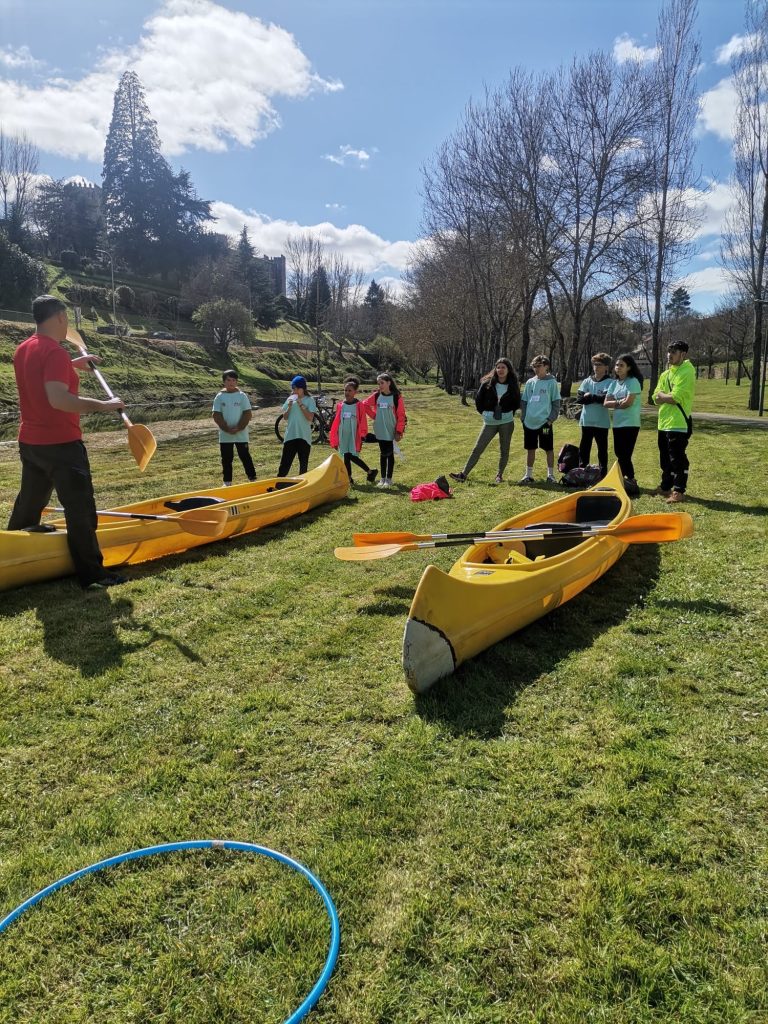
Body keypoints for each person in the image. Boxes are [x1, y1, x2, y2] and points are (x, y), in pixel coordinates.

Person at [6, 294, 126, 590]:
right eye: (67, 319)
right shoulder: (55, 352)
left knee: (30, 502)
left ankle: (10, 554)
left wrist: (73, 363)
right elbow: (59, 400)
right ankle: (93, 574)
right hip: (61, 444)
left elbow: (41, 375)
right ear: (60, 317)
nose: (67, 325)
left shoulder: (24, 349)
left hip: (31, 443)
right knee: (80, 508)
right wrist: (106, 405)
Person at [450, 358, 521, 484]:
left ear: (508, 369)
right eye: (498, 367)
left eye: (503, 367)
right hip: (489, 423)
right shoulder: (487, 383)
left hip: (507, 422)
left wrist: (507, 412)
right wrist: (484, 413)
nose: (500, 370)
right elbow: (478, 401)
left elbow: (516, 403)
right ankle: (463, 474)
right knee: (478, 448)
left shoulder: (513, 385)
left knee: (504, 450)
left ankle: (499, 475)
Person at [651, 340, 695, 503]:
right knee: (665, 458)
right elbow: (654, 397)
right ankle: (665, 487)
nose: (669, 355)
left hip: (678, 422)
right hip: (663, 422)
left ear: (683, 354)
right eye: (668, 351)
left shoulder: (687, 370)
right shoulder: (665, 374)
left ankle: (679, 490)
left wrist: (663, 396)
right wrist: (662, 396)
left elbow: (675, 398)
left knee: (677, 458)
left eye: (674, 352)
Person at [603, 353, 643, 493]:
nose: (618, 368)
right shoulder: (614, 384)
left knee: (625, 454)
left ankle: (630, 479)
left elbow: (628, 403)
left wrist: (617, 403)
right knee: (619, 452)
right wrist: (619, 402)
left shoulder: (633, 382)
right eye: (617, 365)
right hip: (618, 424)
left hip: (630, 423)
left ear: (629, 367)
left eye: (622, 365)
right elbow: (606, 403)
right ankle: (624, 479)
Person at [519, 354, 560, 485]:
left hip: (545, 423)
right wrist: (524, 417)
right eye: (534, 366)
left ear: (546, 366)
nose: (536, 369)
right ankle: (528, 475)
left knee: (548, 448)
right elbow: (524, 401)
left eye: (539, 366)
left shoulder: (552, 382)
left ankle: (551, 475)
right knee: (530, 448)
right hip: (529, 423)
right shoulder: (530, 382)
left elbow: (556, 403)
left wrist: (550, 420)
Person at [362, 372, 407, 489]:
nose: (380, 385)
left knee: (389, 453)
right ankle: (382, 479)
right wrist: (374, 416)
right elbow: (365, 404)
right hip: (380, 429)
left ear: (389, 383)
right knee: (382, 453)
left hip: (391, 430)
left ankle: (389, 479)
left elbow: (401, 416)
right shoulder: (377, 395)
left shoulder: (397, 397)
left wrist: (399, 431)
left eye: (382, 383)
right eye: (378, 383)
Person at [329, 376, 377, 484]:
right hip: (343, 435)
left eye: (349, 390)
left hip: (354, 435)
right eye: (345, 390)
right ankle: (351, 478)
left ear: (355, 392)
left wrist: (363, 433)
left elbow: (363, 420)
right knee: (346, 456)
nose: (347, 392)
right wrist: (335, 436)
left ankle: (367, 473)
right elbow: (337, 421)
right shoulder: (341, 405)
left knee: (350, 455)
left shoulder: (359, 405)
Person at [212, 369, 256, 486]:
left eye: (233, 380)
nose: (231, 382)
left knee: (245, 457)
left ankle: (253, 479)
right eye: (228, 380)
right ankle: (227, 482)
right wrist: (226, 428)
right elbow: (216, 414)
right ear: (224, 382)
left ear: (237, 382)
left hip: (241, 434)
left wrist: (239, 427)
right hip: (225, 434)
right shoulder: (219, 397)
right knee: (226, 459)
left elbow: (248, 413)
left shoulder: (242, 396)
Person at [575, 352, 613, 479]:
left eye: (599, 364)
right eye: (594, 364)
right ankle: (582, 470)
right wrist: (596, 398)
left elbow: (606, 399)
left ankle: (603, 474)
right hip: (586, 420)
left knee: (602, 449)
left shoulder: (610, 382)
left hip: (601, 422)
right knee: (584, 447)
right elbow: (579, 399)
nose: (596, 367)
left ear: (606, 367)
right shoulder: (586, 381)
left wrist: (590, 396)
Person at [276, 374, 317, 477]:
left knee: (303, 466)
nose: (294, 391)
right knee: (284, 464)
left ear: (302, 388)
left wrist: (301, 404)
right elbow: (285, 417)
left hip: (304, 437)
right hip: (290, 435)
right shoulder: (290, 399)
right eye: (293, 388)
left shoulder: (310, 400)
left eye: (296, 388)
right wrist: (289, 407)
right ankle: (278, 485)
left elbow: (310, 418)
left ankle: (303, 487)